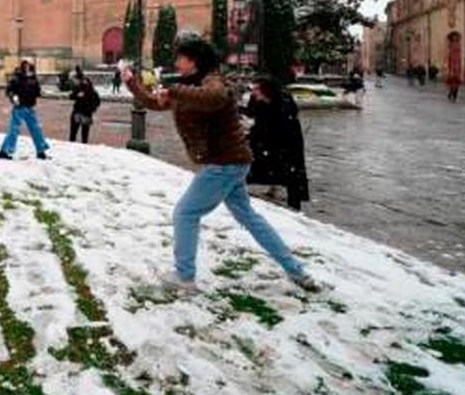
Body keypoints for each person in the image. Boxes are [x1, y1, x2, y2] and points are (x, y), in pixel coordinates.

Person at [123, 36, 318, 295]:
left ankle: (185, 278)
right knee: (250, 218)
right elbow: (155, 102)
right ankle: (296, 271)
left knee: (185, 213)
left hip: (224, 163)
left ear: (194, 60)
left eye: (180, 57)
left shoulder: (212, 81)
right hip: (232, 163)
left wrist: (174, 89)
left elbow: (214, 97)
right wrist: (132, 84)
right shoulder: (188, 86)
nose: (176, 63)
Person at [244, 76, 310, 211]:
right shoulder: (259, 101)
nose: (254, 92)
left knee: (291, 175)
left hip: (286, 145)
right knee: (249, 168)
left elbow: (283, 126)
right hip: (266, 143)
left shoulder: (284, 102)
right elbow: (254, 116)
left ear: (266, 90)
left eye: (257, 89)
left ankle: (295, 206)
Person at [0, 60, 50, 160]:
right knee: (14, 130)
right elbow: (9, 90)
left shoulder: (32, 78)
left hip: (30, 107)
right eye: (26, 66)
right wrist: (13, 97)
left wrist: (39, 87)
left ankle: (41, 151)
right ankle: (4, 151)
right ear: (22, 67)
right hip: (19, 108)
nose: (28, 68)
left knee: (36, 129)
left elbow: (37, 91)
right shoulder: (17, 78)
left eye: (29, 66)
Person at [68, 76, 102, 144]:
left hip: (86, 114)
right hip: (77, 113)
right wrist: (77, 95)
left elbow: (97, 102)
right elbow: (71, 96)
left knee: (84, 133)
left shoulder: (92, 92)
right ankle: (71, 145)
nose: (84, 85)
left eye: (86, 84)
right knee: (73, 132)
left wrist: (92, 109)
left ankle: (84, 147)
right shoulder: (79, 89)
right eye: (83, 83)